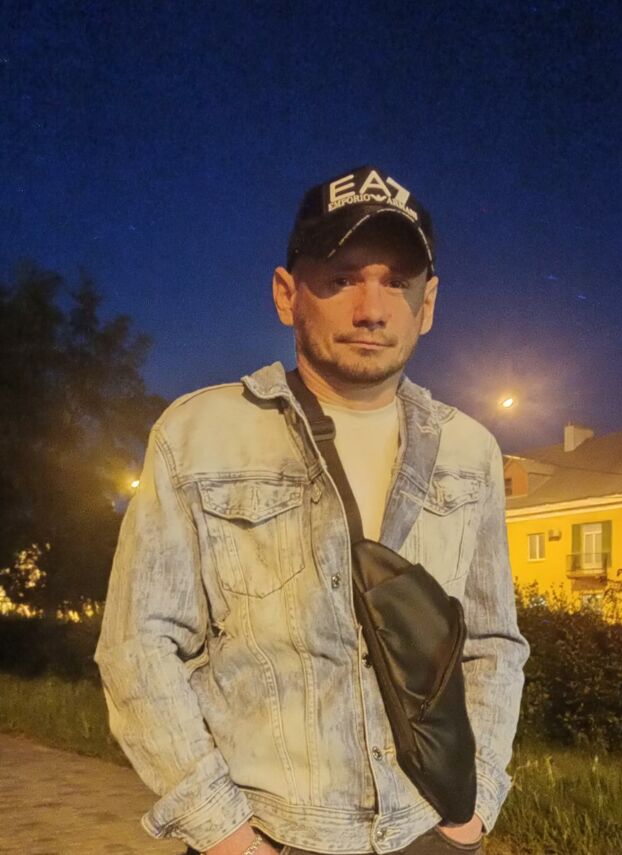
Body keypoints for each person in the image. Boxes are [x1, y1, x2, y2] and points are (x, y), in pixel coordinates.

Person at [95, 165, 529, 855]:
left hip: (427, 830)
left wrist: (470, 810)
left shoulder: (469, 450)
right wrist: (228, 835)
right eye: (341, 278)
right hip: (267, 832)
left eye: (397, 282)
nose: (371, 308)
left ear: (428, 303)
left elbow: (493, 642)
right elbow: (138, 645)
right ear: (286, 293)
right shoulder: (201, 434)